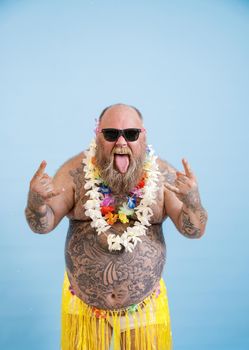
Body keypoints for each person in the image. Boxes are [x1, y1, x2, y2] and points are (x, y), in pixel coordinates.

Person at [25, 103, 207, 350]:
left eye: (130, 134)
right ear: (97, 135)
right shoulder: (75, 172)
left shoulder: (163, 176)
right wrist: (36, 203)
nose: (121, 142)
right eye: (111, 134)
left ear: (143, 135)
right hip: (84, 308)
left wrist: (193, 201)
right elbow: (42, 225)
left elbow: (193, 231)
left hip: (145, 307)